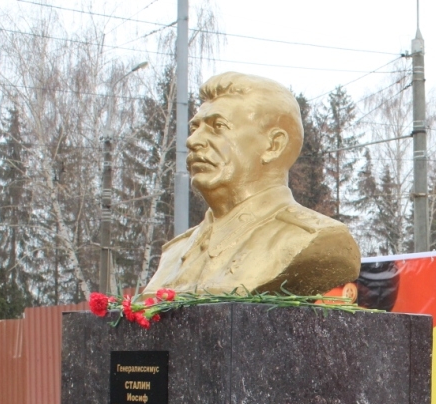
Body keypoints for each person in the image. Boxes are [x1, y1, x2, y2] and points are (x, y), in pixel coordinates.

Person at [142, 72, 360, 296]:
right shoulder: (174, 253)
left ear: (273, 145)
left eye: (218, 126)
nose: (193, 141)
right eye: (195, 128)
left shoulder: (313, 238)